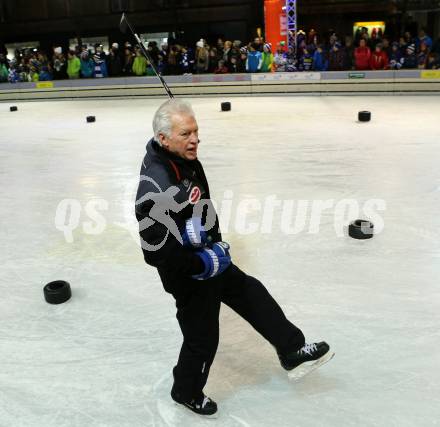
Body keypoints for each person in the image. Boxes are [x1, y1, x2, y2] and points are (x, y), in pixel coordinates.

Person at [135, 99, 332, 416]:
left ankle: (291, 349)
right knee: (203, 337)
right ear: (163, 139)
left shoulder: (179, 156)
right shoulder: (156, 185)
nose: (195, 139)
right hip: (188, 272)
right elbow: (155, 251)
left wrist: (213, 244)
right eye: (186, 133)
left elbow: (195, 206)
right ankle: (185, 390)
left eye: (196, 131)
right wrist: (201, 263)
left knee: (251, 292)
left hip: (208, 255)